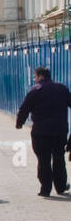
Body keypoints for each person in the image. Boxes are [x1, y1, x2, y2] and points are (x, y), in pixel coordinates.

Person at [15, 66, 71, 197]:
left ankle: (45, 189)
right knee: (58, 158)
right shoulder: (62, 88)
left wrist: (19, 123)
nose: (34, 80)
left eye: (35, 77)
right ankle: (61, 186)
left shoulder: (35, 90)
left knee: (43, 159)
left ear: (40, 76)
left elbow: (24, 109)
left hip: (41, 132)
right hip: (60, 130)